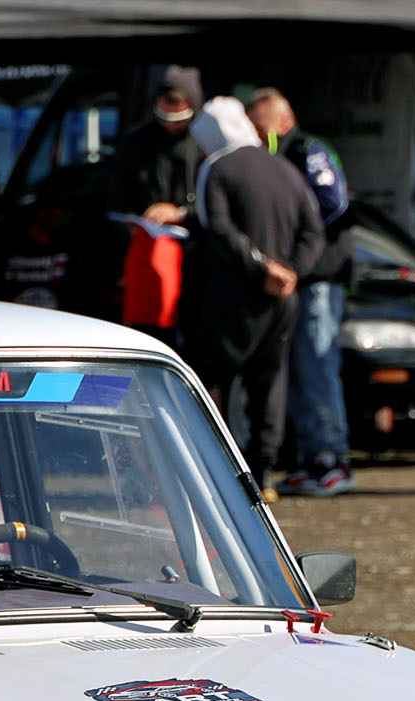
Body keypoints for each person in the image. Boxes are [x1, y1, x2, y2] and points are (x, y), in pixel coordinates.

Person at [183, 96, 326, 494]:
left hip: (234, 297)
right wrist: (292, 271)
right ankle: (263, 474)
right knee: (270, 382)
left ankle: (224, 472)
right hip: (283, 299)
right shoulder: (285, 168)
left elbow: (219, 230)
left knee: (220, 381)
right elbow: (314, 232)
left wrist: (263, 268)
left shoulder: (217, 168)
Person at [249, 88, 355, 497]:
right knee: (295, 371)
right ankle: (310, 457)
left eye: (261, 126)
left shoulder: (309, 151)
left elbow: (334, 204)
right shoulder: (270, 157)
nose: (258, 135)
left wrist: (296, 241)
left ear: (283, 119)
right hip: (295, 278)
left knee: (317, 367)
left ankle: (331, 459)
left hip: (319, 277)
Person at [111, 66, 205, 343]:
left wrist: (180, 213)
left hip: (196, 257)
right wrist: (132, 222)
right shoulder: (138, 141)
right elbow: (118, 198)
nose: (171, 125)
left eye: (180, 118)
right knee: (149, 330)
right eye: (164, 116)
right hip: (148, 251)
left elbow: (217, 204)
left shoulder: (202, 141)